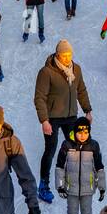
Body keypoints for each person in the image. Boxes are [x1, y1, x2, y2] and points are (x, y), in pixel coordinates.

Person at [34, 38, 93, 199]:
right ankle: (43, 185)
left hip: (71, 117)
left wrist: (87, 110)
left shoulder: (76, 69)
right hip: (52, 118)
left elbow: (81, 90)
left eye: (69, 54)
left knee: (76, 147)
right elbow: (39, 97)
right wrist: (44, 120)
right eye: (64, 55)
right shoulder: (46, 72)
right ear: (57, 55)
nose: (67, 58)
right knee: (50, 150)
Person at [56, 117, 106, 214]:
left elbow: (99, 167)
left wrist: (102, 187)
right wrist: (60, 186)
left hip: (87, 188)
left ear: (89, 132)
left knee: (87, 213)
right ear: (74, 132)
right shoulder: (67, 145)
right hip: (71, 188)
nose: (82, 135)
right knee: (71, 213)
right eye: (79, 132)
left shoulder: (93, 146)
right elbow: (60, 166)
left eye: (85, 132)